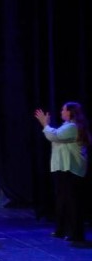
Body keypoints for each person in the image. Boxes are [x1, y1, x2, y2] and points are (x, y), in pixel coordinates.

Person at [35, 102, 89, 242]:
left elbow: (54, 136)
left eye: (63, 110)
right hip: (64, 169)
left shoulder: (72, 127)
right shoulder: (67, 126)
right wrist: (47, 126)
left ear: (70, 112)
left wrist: (45, 124)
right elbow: (55, 135)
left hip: (71, 169)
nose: (61, 112)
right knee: (63, 201)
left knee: (72, 202)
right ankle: (62, 229)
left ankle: (75, 233)